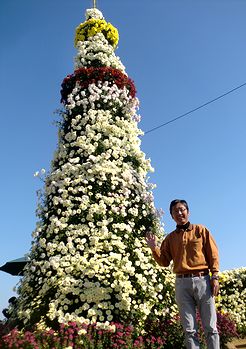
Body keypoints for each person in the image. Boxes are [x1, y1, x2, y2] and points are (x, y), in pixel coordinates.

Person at [145, 199, 220, 349]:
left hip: (203, 281)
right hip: (181, 284)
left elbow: (213, 255)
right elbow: (164, 261)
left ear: (188, 211)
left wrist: (215, 276)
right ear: (172, 216)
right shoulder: (170, 238)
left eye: (182, 209)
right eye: (175, 211)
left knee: (211, 328)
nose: (179, 213)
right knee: (189, 329)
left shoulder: (201, 230)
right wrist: (154, 249)